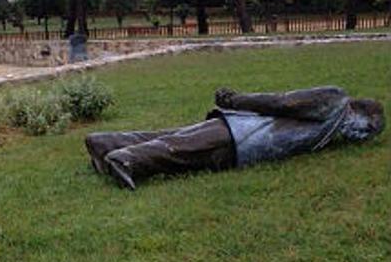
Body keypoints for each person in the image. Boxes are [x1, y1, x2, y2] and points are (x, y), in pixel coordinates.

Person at [85, 86, 384, 190]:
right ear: (360, 113)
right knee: (182, 146)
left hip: (246, 144)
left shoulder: (331, 132)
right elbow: (283, 102)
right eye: (367, 130)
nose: (361, 138)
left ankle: (104, 143)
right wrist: (238, 100)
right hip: (242, 132)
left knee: (176, 139)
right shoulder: (335, 100)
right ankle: (125, 159)